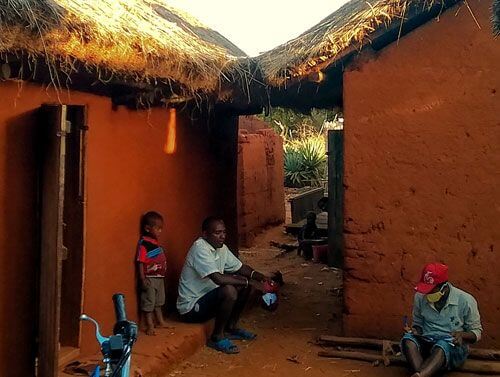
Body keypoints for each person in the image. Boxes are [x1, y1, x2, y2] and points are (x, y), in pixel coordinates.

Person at [177, 216, 268, 354]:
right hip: (191, 308)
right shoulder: (200, 249)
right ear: (205, 234)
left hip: (208, 299)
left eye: (224, 232)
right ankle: (217, 337)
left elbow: (240, 268)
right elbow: (218, 279)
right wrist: (250, 281)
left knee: (243, 285)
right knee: (229, 290)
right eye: (217, 233)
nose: (222, 236)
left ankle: (230, 328)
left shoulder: (221, 248)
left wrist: (262, 278)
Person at [401, 262, 483, 377]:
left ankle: (421, 374)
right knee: (408, 340)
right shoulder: (420, 297)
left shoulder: (466, 300)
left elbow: (477, 332)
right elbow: (418, 324)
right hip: (427, 342)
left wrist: (462, 335)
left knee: (442, 346)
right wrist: (415, 330)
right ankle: (422, 374)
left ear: (444, 288)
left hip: (452, 347)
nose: (427, 293)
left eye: (431, 290)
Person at [136, 211, 168, 335]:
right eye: (158, 228)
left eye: (161, 228)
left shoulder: (154, 243)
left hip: (159, 278)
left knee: (159, 301)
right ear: (147, 228)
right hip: (149, 278)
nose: (160, 231)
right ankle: (149, 325)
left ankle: (160, 321)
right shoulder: (144, 244)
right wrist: (142, 278)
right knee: (149, 302)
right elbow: (140, 262)